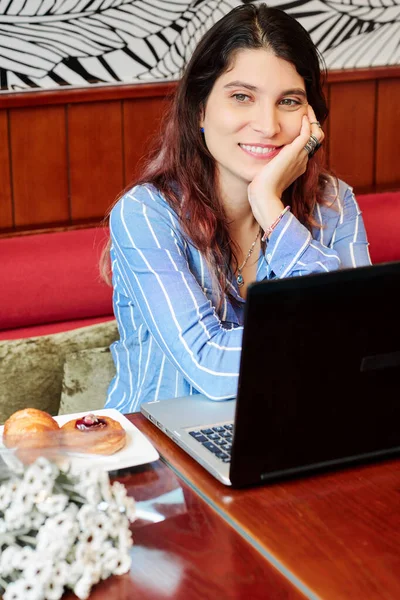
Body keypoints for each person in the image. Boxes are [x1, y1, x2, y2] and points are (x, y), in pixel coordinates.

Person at [102, 3, 371, 414]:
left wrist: (269, 207)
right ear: (200, 110)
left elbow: (361, 337)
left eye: (289, 101)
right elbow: (209, 365)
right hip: (160, 456)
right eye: (242, 96)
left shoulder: (334, 203)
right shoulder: (145, 214)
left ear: (311, 118)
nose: (267, 125)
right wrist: (329, 338)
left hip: (291, 432)